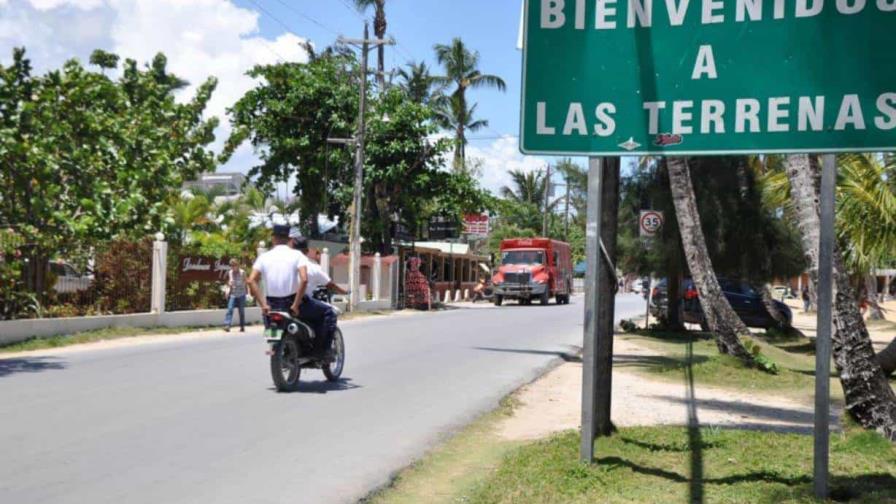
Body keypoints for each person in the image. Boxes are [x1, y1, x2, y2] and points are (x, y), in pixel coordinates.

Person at [246, 224, 311, 330]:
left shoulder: (264, 257)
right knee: (303, 333)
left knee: (273, 336)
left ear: (273, 239)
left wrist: (263, 305)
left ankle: (273, 346)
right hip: (291, 302)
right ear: (289, 239)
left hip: (271, 304)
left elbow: (251, 280)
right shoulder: (297, 255)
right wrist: (295, 305)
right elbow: (304, 279)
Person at [289, 235, 342, 358]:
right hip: (299, 304)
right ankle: (322, 350)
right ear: (307, 251)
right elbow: (330, 284)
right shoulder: (312, 267)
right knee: (329, 312)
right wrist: (344, 292)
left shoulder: (283, 265)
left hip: (280, 303)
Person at [224, 259, 247, 332]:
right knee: (230, 309)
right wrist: (227, 290)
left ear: (237, 265)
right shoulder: (230, 272)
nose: (233, 267)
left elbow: (246, 282)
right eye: (231, 266)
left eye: (234, 265)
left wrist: (248, 293)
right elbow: (229, 282)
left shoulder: (242, 272)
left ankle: (242, 326)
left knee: (241, 311)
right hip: (233, 294)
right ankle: (227, 325)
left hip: (241, 294)